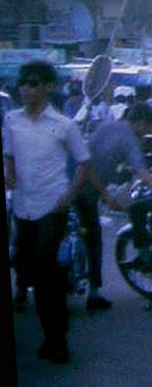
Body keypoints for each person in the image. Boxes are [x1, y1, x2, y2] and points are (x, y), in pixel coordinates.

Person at [3, 61, 91, 364]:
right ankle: (49, 335)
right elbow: (10, 155)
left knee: (47, 275)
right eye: (23, 83)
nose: (26, 88)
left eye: (34, 83)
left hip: (52, 207)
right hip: (23, 205)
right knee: (27, 270)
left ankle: (58, 339)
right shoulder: (12, 120)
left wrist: (69, 195)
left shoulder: (64, 125)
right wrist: (10, 174)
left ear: (49, 87)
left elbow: (84, 163)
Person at [76, 102, 152, 310]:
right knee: (93, 239)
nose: (148, 134)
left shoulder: (107, 126)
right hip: (84, 190)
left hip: (69, 185)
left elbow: (93, 157)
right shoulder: (129, 139)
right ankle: (93, 291)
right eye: (149, 128)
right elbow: (142, 173)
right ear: (140, 124)